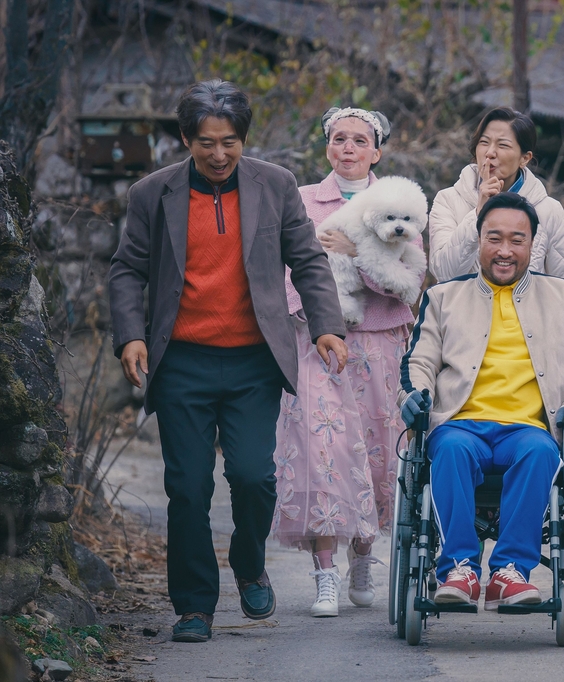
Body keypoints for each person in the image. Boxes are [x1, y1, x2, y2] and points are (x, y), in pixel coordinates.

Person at [108, 80, 348, 643]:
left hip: (252, 362)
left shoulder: (275, 186)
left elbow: (308, 259)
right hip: (182, 362)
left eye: (231, 142)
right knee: (188, 487)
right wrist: (129, 336)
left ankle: (248, 564)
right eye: (207, 143)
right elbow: (126, 269)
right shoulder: (153, 193)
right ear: (187, 139)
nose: (219, 155)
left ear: (244, 139)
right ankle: (194, 606)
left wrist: (327, 327)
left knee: (253, 476)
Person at [400, 192, 564, 608]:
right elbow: (417, 362)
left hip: (529, 428)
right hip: (462, 425)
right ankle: (459, 568)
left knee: (540, 452)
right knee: (452, 448)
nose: (505, 250)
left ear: (533, 245)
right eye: (494, 238)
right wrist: (415, 397)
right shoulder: (442, 297)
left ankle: (509, 572)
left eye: (518, 240)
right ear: (478, 240)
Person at [271, 107, 426, 618]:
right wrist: (317, 322)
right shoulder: (303, 202)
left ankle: (364, 557)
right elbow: (287, 269)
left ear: (376, 151)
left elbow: (409, 280)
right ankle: (323, 575)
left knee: (378, 451)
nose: (349, 148)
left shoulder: (399, 200)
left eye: (360, 140)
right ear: (328, 147)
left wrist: (356, 252)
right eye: (340, 139)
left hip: (380, 341)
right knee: (322, 449)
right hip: (318, 341)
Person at [428, 106, 564, 287]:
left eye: (502, 145)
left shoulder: (548, 210)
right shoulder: (448, 200)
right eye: (484, 142)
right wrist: (478, 212)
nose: (490, 152)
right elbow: (445, 273)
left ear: (524, 158)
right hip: (465, 315)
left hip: (525, 315)